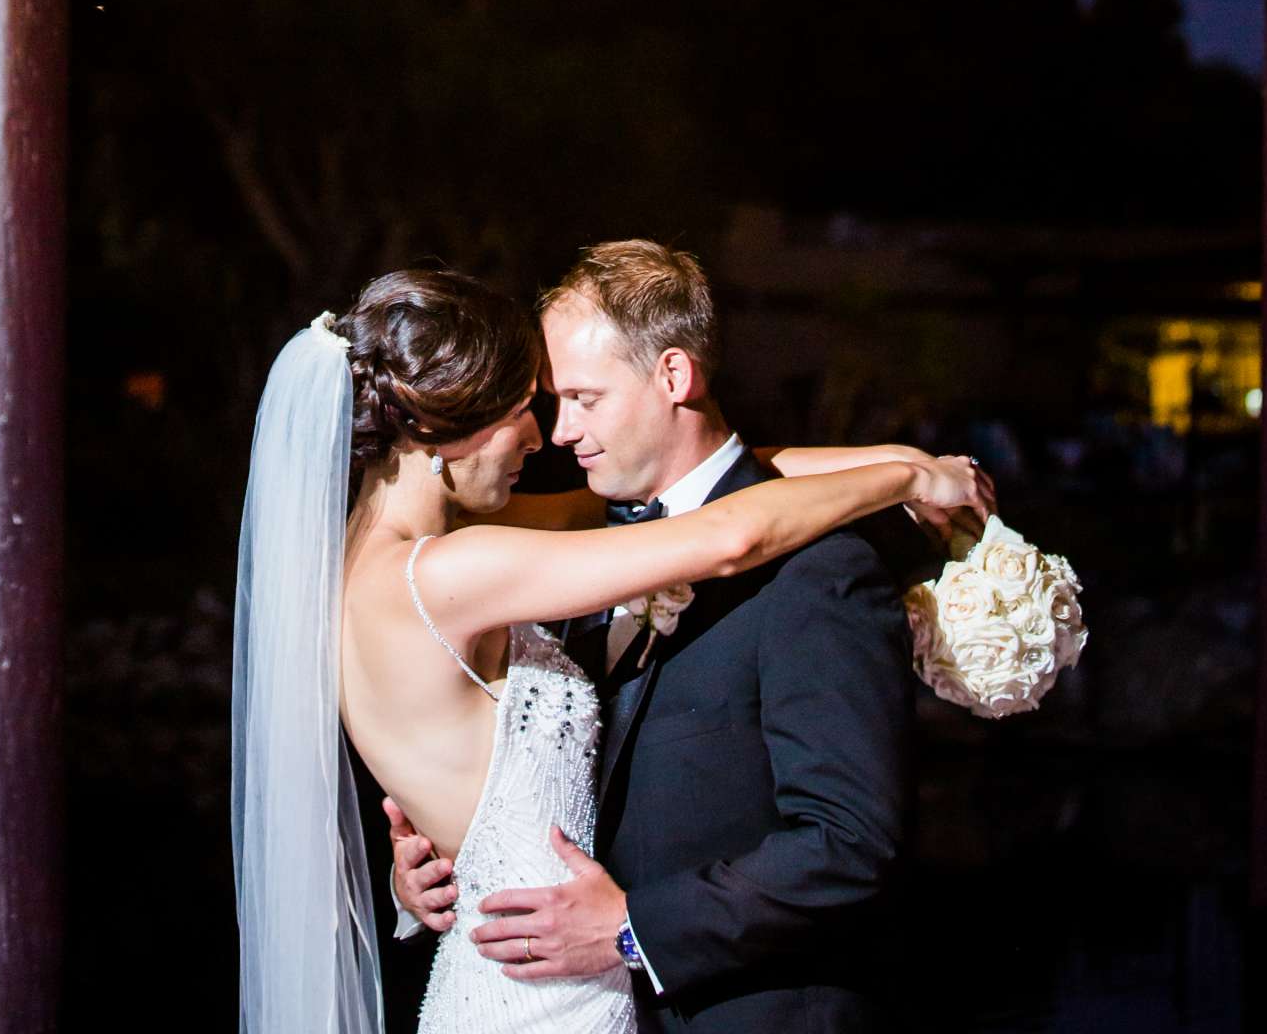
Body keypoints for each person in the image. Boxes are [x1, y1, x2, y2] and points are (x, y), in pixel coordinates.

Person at [232, 263, 984, 1034]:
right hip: (542, 997)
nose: (545, 435)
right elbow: (730, 534)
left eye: (569, 402)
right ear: (436, 429)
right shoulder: (454, 572)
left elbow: (708, 492)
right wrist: (905, 474)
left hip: (509, 974)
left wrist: (433, 872)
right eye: (526, 409)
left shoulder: (368, 562)